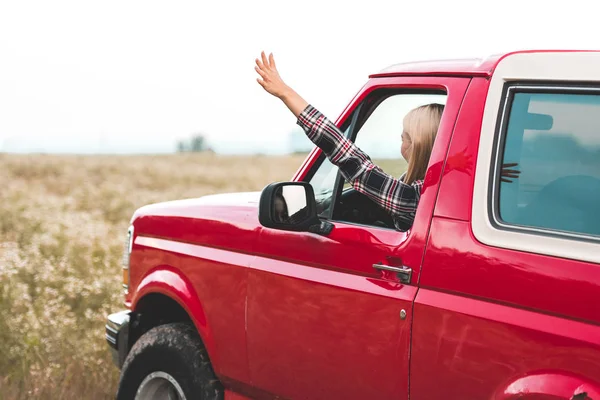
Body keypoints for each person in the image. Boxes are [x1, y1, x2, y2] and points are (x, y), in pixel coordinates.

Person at [255, 51, 442, 231]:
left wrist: (286, 93)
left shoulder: (415, 200)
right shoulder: (443, 193)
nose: (400, 145)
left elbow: (351, 159)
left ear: (418, 146)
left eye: (404, 138)